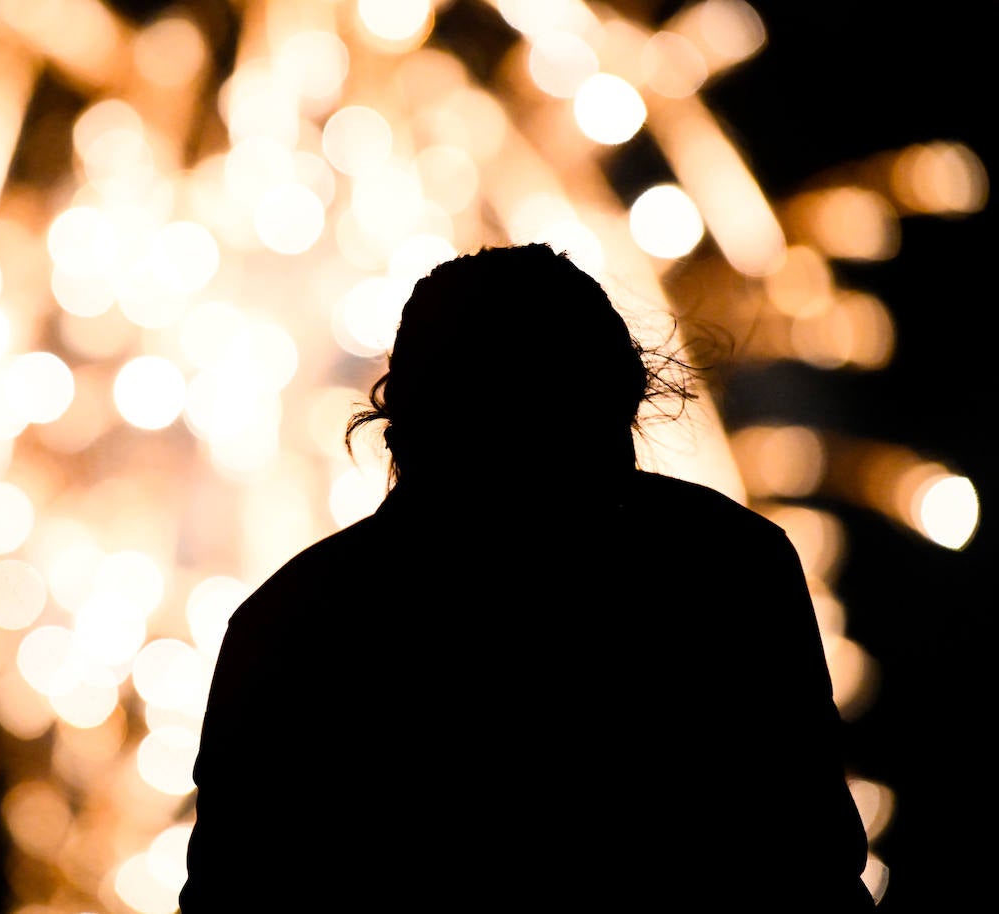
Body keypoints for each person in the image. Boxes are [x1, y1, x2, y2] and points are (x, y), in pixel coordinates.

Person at [179, 243, 877, 912]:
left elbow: (233, 898)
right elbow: (815, 873)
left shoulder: (291, 628)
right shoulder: (730, 571)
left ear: (397, 430)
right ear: (626, 404)